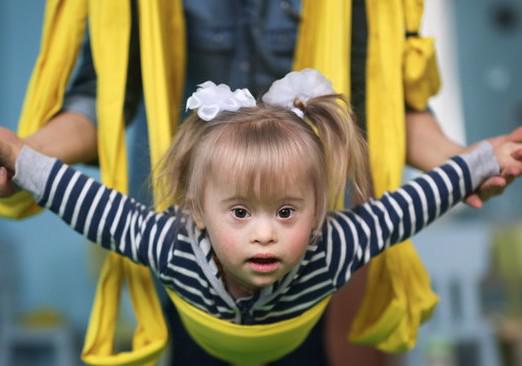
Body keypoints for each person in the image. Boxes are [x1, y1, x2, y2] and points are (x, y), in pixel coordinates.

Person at [3, 1, 522, 365]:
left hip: (299, 337)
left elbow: (414, 202)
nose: (265, 235)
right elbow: (85, 200)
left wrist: (478, 162)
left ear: (320, 213)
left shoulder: (332, 245)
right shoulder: (172, 242)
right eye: (241, 215)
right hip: (195, 330)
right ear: (196, 213)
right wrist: (17, 155)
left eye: (287, 215)